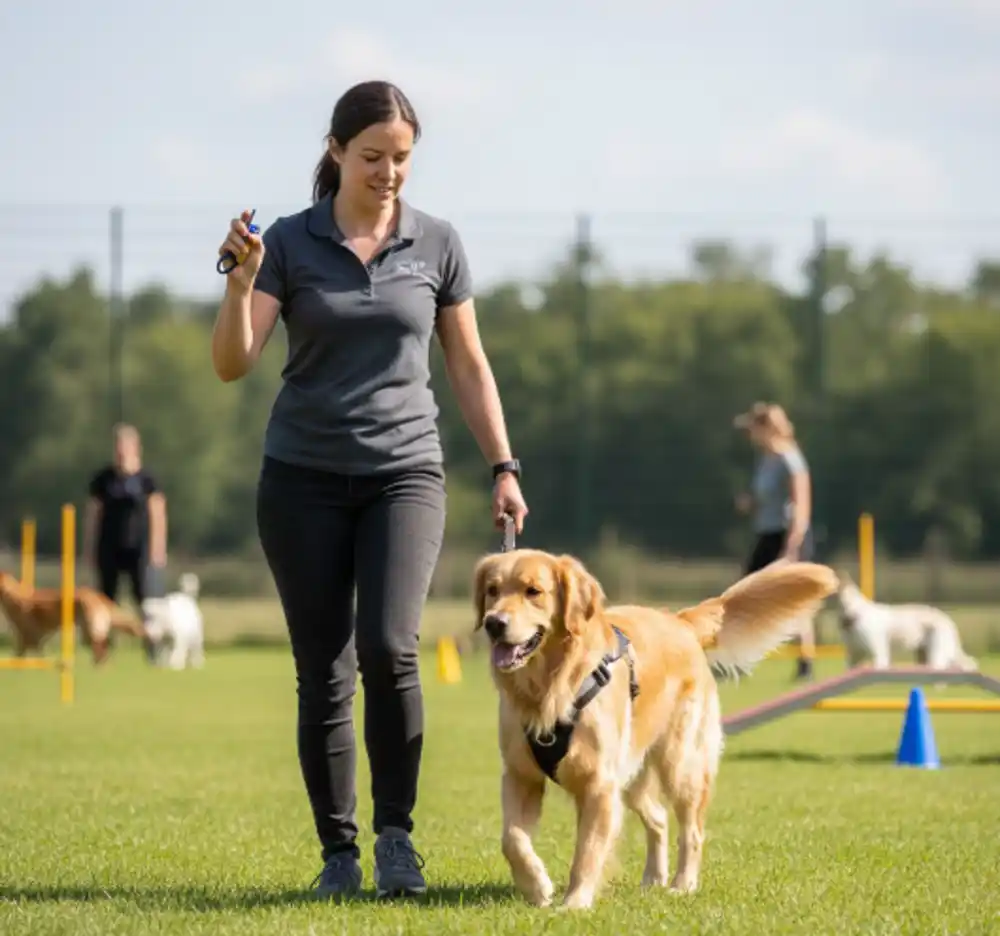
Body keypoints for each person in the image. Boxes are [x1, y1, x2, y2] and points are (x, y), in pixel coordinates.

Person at [210, 80, 529, 900]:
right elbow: (233, 360)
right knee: (323, 670)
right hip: (301, 480)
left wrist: (503, 465)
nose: (390, 173)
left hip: (405, 473)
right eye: (373, 157)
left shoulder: (438, 242)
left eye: (402, 159)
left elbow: (467, 364)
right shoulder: (289, 240)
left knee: (391, 648)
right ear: (336, 151)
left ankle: (397, 842)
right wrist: (240, 284)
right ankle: (339, 856)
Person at [733, 401, 816, 680]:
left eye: (753, 429)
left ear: (767, 428)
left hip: (787, 536)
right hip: (766, 533)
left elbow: (801, 502)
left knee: (793, 598)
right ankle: (743, 657)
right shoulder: (765, 460)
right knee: (746, 593)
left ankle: (806, 661)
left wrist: (793, 543)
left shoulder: (789, 458)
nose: (750, 435)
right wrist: (750, 502)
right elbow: (764, 495)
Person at [83, 423, 168, 659]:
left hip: (139, 549)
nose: (122, 451)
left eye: (126, 446)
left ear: (136, 448)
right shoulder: (103, 479)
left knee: (145, 601)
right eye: (119, 446)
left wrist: (158, 549)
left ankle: (153, 648)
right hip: (108, 547)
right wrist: (89, 549)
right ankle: (103, 651)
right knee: (104, 602)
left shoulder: (147, 479)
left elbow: (158, 514)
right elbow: (93, 515)